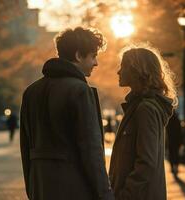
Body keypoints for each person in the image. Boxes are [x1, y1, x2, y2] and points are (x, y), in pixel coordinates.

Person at [20, 27, 114, 200]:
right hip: (74, 188)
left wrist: (32, 188)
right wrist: (105, 194)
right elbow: (91, 149)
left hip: (40, 187)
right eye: (93, 56)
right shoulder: (79, 90)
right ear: (78, 55)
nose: (96, 63)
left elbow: (25, 149)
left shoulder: (30, 92)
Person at [109, 45, 177, 200]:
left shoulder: (145, 109)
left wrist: (126, 194)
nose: (118, 72)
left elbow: (147, 162)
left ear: (137, 70)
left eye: (123, 66)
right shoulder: (139, 107)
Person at [166, 110, 183, 176]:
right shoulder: (177, 120)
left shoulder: (169, 120)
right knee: (176, 154)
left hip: (171, 140)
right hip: (176, 140)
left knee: (171, 154)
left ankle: (173, 167)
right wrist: (181, 141)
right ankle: (175, 167)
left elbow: (167, 131)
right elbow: (180, 131)